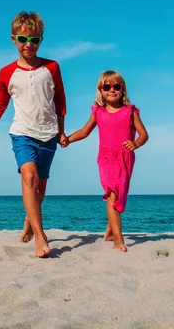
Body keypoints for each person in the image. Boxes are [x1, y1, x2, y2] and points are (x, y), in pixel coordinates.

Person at [0, 11, 67, 258]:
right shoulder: (6, 73)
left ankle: (28, 220)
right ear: (14, 39)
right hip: (21, 133)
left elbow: (60, 102)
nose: (29, 45)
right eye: (23, 39)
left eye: (34, 40)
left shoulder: (52, 67)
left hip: (48, 134)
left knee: (41, 188)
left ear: (41, 40)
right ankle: (40, 236)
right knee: (29, 177)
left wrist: (62, 132)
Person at [62, 70, 148, 252]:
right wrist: (68, 139)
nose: (112, 90)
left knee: (119, 195)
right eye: (107, 87)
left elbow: (144, 134)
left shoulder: (130, 111)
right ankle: (118, 239)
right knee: (112, 194)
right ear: (100, 90)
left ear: (122, 89)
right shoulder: (98, 112)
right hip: (106, 158)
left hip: (125, 157)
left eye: (116, 86)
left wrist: (136, 143)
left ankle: (109, 230)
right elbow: (84, 131)